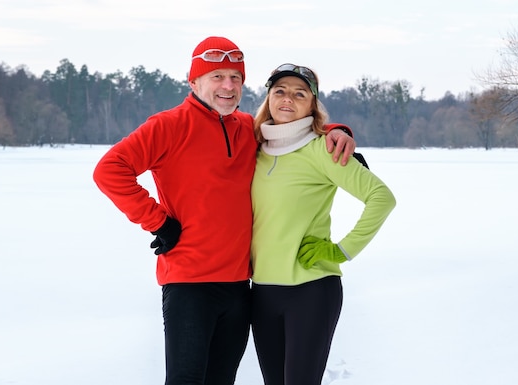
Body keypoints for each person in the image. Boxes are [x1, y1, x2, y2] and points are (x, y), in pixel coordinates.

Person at [92, 37, 356, 385]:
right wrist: (158, 221)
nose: (228, 86)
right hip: (189, 284)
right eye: (217, 76)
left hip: (238, 286)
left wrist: (337, 133)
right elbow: (109, 170)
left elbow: (294, 131)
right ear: (194, 81)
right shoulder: (168, 126)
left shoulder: (248, 128)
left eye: (235, 77)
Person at [250, 63, 396, 385]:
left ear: (313, 105)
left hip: (311, 291)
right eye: (280, 91)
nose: (288, 99)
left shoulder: (323, 149)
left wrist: (342, 250)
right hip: (261, 293)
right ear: (268, 98)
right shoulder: (253, 150)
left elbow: (381, 198)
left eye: (300, 93)